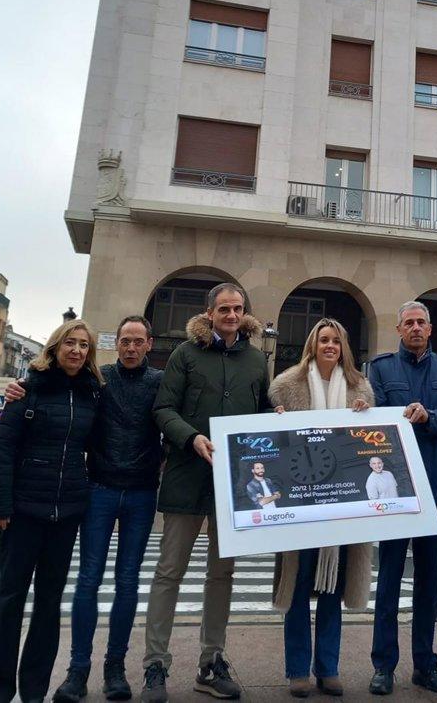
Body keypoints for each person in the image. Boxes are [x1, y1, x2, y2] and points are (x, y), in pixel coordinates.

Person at [5, 315, 164, 703]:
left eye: (137, 341)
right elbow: (58, 384)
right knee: (88, 580)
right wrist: (21, 386)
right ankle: (78, 670)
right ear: (116, 343)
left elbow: (183, 413)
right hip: (99, 489)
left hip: (142, 493)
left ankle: (115, 667)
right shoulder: (100, 380)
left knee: (127, 582)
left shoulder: (160, 382)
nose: (130, 347)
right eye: (124, 340)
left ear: (149, 344)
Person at [142, 283, 269, 703]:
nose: (231, 315)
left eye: (237, 309)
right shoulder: (185, 354)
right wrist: (191, 437)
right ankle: (155, 667)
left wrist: (276, 416)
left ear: (244, 312)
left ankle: (210, 663)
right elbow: (164, 409)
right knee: (168, 573)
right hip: (184, 477)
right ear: (210, 312)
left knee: (222, 575)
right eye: (224, 309)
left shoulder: (255, 359)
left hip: (232, 487)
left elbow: (262, 414)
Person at [0, 319, 103, 703]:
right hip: (21, 512)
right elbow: (3, 450)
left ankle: (34, 691)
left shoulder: (91, 395)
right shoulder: (28, 390)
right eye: (70, 342)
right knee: (9, 602)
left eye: (84, 345)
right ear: (55, 347)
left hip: (66, 513)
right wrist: (0, 505)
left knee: (49, 604)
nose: (77, 350)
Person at [367, 301, 437, 697]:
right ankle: (384, 666)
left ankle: (425, 665)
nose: (415, 328)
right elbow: (371, 419)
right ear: (398, 329)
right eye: (408, 322)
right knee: (389, 581)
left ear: (430, 329)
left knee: (429, 584)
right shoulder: (380, 369)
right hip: (394, 490)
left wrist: (429, 416)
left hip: (436, 488)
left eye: (421, 323)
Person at [269, 318, 374, 697]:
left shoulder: (360, 388)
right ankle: (298, 670)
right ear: (312, 345)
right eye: (323, 340)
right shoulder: (286, 387)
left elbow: (367, 445)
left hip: (342, 503)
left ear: (343, 346)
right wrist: (276, 422)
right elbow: (274, 446)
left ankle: (328, 667)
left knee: (333, 588)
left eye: (336, 340)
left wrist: (366, 416)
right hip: (301, 502)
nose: (330, 345)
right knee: (297, 586)